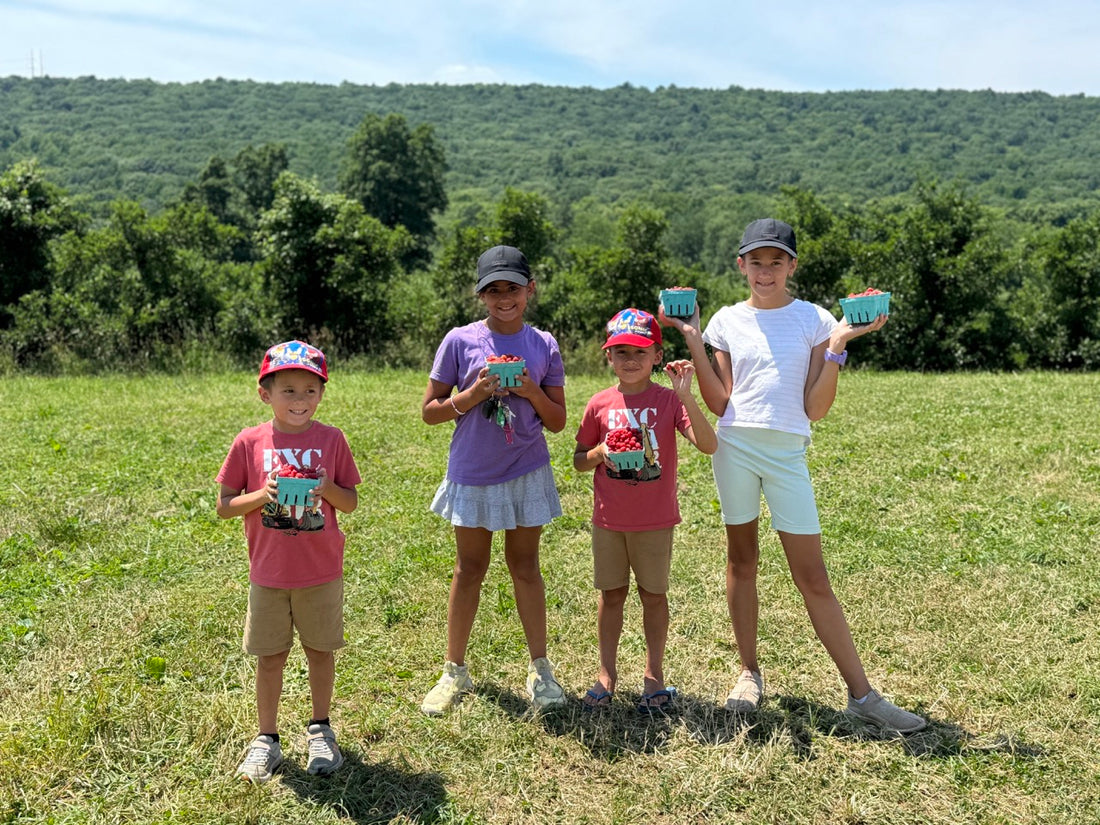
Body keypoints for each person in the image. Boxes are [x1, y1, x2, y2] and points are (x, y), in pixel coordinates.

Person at [661, 218, 927, 733]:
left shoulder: (816, 320)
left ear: (792, 266)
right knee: (741, 561)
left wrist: (839, 344)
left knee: (813, 577)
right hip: (734, 449)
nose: (766, 272)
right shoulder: (725, 321)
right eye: (756, 262)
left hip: (787, 456)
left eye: (776, 262)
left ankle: (863, 695)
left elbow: (815, 408)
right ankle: (748, 673)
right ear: (741, 265)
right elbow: (721, 402)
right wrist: (693, 337)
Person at [420, 245, 568, 715]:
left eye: (513, 288)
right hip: (473, 471)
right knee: (469, 569)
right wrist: (474, 393)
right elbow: (429, 411)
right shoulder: (459, 341)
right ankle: (454, 671)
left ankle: (540, 669)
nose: (504, 298)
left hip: (526, 469)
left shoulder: (543, 344)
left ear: (530, 289)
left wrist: (529, 390)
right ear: (480, 294)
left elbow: (558, 420)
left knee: (525, 567)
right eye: (494, 290)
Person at [216, 340, 362, 783]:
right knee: (270, 657)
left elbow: (350, 502)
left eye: (310, 391)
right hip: (269, 573)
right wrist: (265, 494)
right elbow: (225, 505)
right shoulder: (249, 442)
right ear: (266, 394)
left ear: (321, 394)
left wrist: (325, 488)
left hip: (320, 571)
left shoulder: (332, 439)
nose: (300, 400)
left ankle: (321, 730)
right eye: (289, 391)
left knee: (320, 651)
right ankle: (267, 739)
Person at [574, 308, 717, 712]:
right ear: (608, 356)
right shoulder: (599, 404)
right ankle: (606, 674)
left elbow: (709, 445)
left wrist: (685, 395)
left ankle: (654, 677)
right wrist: (600, 452)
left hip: (654, 521)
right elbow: (579, 460)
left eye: (640, 351)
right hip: (609, 519)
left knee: (654, 596)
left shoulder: (668, 400)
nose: (631, 359)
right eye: (621, 351)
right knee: (611, 595)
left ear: (657, 355)